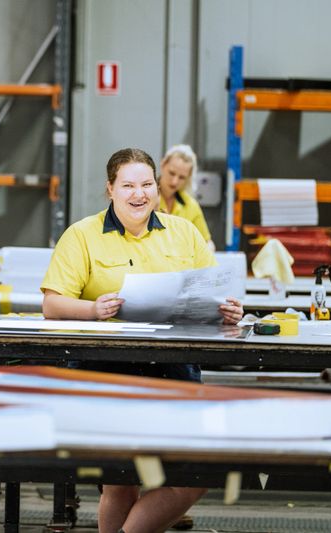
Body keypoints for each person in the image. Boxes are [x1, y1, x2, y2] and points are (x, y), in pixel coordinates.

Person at [40, 147, 243, 533]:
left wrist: (229, 310)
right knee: (120, 481)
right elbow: (52, 304)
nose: (139, 194)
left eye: (146, 184)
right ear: (110, 189)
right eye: (128, 185)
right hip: (104, 373)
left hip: (173, 371)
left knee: (196, 473)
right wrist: (92, 310)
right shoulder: (82, 235)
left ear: (156, 185)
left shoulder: (184, 233)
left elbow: (215, 291)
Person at [159, 144, 215, 251]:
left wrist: (207, 251)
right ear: (162, 165)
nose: (175, 181)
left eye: (182, 177)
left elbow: (207, 242)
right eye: (171, 173)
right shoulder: (144, 198)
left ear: (188, 178)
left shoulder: (191, 205)